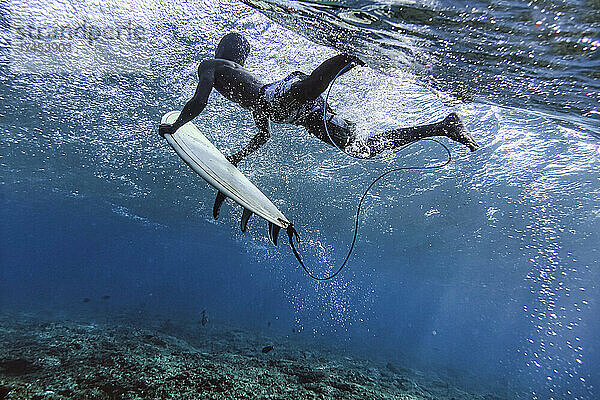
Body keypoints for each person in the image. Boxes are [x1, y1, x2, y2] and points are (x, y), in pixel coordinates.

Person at [159, 33, 479, 164]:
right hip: (300, 113)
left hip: (283, 98)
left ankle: (352, 53)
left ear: (222, 52)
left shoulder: (211, 65)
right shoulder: (249, 94)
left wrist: (177, 127)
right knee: (363, 149)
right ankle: (442, 126)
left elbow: (198, 102)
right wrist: (237, 157)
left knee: (313, 86)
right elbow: (263, 134)